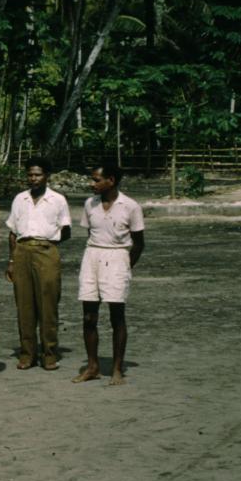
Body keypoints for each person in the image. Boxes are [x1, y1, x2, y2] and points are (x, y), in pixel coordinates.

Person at [75, 164, 145, 386]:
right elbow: (91, 232)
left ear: (111, 180)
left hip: (117, 258)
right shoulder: (90, 204)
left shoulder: (130, 206)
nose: (91, 184)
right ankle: (93, 366)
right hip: (92, 256)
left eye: (96, 180)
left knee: (117, 315)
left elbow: (139, 243)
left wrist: (125, 265)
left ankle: (117, 369)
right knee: (89, 316)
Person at [5, 156, 71, 371]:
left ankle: (49, 353)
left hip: (46, 251)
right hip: (22, 251)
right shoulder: (19, 199)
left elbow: (66, 230)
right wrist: (12, 260)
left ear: (47, 176)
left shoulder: (58, 200)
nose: (33, 179)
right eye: (30, 175)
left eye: (37, 174)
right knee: (24, 305)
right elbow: (12, 232)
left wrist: (48, 242)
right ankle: (27, 354)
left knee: (48, 304)